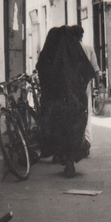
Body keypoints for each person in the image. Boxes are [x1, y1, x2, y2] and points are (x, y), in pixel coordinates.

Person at [36, 25, 97, 178]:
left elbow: (41, 72)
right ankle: (69, 161)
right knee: (73, 130)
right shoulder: (74, 53)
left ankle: (60, 155)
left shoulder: (49, 54)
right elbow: (88, 72)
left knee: (57, 129)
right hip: (73, 103)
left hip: (55, 103)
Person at [68, 25, 101, 149]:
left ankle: (75, 143)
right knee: (86, 112)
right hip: (85, 85)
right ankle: (86, 141)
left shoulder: (68, 49)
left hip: (71, 86)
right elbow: (95, 69)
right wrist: (98, 85)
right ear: (81, 36)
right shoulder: (88, 48)